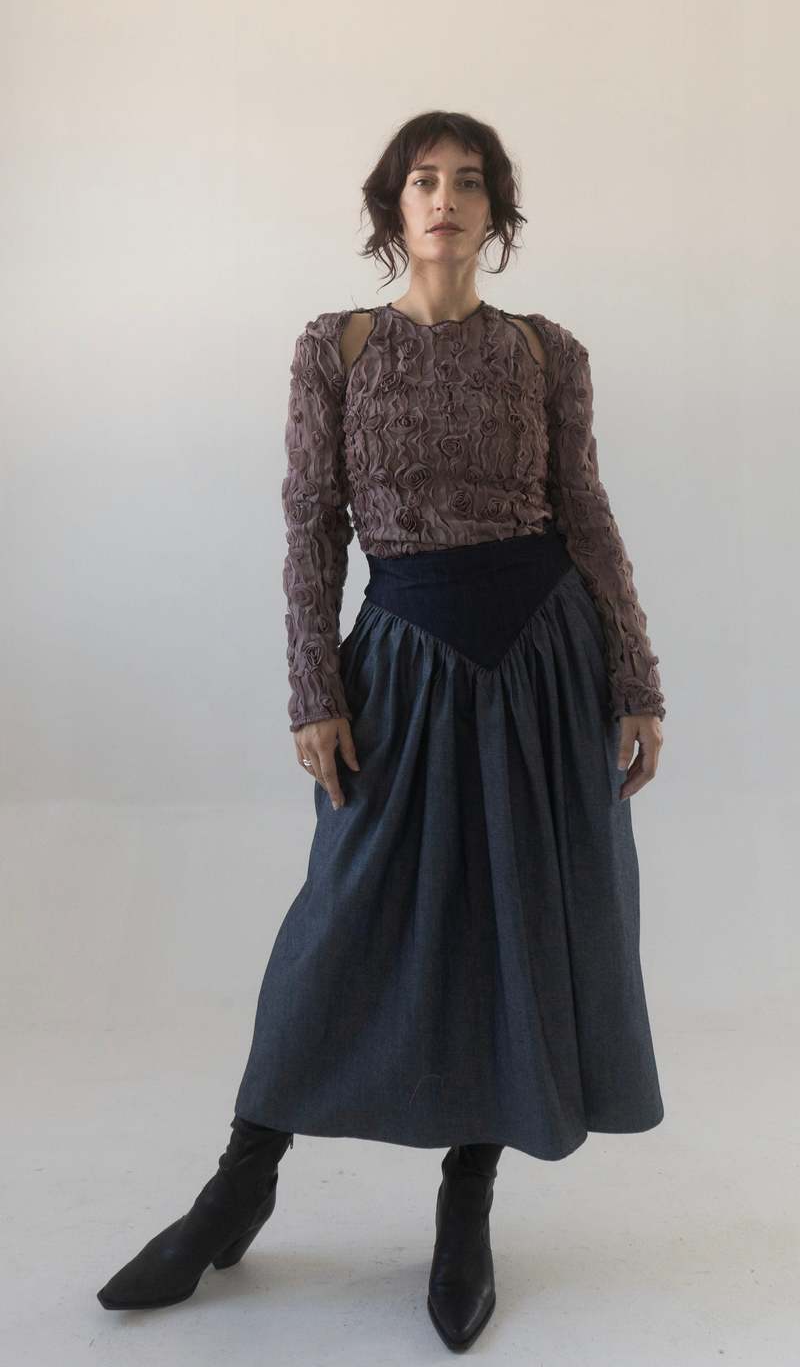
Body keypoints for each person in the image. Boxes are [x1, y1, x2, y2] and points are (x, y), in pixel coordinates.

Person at [97, 111, 666, 1352]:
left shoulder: (545, 350)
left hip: (540, 662)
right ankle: (239, 1181)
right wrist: (314, 688)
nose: (444, 198)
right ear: (390, 207)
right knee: (338, 920)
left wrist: (634, 675)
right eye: (422, 180)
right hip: (401, 663)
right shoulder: (338, 347)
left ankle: (467, 1200)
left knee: (508, 924)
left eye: (468, 181)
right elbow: (311, 523)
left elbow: (584, 511)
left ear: (495, 210)